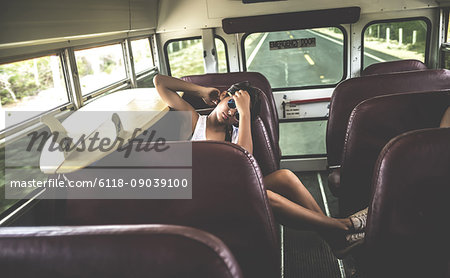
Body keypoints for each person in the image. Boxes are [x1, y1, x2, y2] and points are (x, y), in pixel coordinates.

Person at [153, 74, 367, 258]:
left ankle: (336, 241)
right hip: (204, 196)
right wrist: (202, 90)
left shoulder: (237, 133)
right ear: (223, 96)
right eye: (231, 105)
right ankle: (343, 227)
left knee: (285, 176)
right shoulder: (193, 121)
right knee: (267, 196)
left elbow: (243, 161)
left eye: (238, 115)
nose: (232, 113)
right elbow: (160, 82)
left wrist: (245, 114)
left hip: (232, 191)